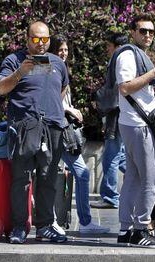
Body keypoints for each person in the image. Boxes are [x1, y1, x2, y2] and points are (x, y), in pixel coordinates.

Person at [0, 21, 68, 244]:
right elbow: (1, 89)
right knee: (21, 178)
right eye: (36, 39)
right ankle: (19, 226)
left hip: (53, 127)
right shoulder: (14, 60)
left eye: (45, 39)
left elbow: (63, 89)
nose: (40, 44)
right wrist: (20, 72)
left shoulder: (58, 62)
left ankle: (45, 225)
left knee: (48, 178)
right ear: (27, 39)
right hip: (24, 127)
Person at [115, 14, 155, 248]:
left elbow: (142, 93)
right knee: (153, 180)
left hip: (135, 123)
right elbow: (125, 87)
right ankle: (141, 229)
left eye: (151, 31)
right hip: (137, 125)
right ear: (133, 32)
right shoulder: (128, 55)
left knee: (134, 178)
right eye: (143, 31)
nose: (148, 35)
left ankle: (125, 230)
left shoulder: (138, 55)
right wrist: (154, 73)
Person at [48, 34, 110, 234]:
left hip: (62, 130)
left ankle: (55, 221)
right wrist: (68, 110)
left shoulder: (60, 69)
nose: (64, 53)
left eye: (66, 50)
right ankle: (84, 222)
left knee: (49, 175)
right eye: (60, 50)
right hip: (58, 131)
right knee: (81, 175)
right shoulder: (52, 69)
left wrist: (71, 109)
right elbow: (50, 101)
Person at [91, 32, 128, 209]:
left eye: (108, 46)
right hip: (123, 114)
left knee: (110, 158)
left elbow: (113, 90)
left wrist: (97, 97)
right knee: (120, 157)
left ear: (115, 46)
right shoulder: (129, 57)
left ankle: (110, 196)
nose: (107, 49)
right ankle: (145, 180)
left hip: (116, 114)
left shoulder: (118, 60)